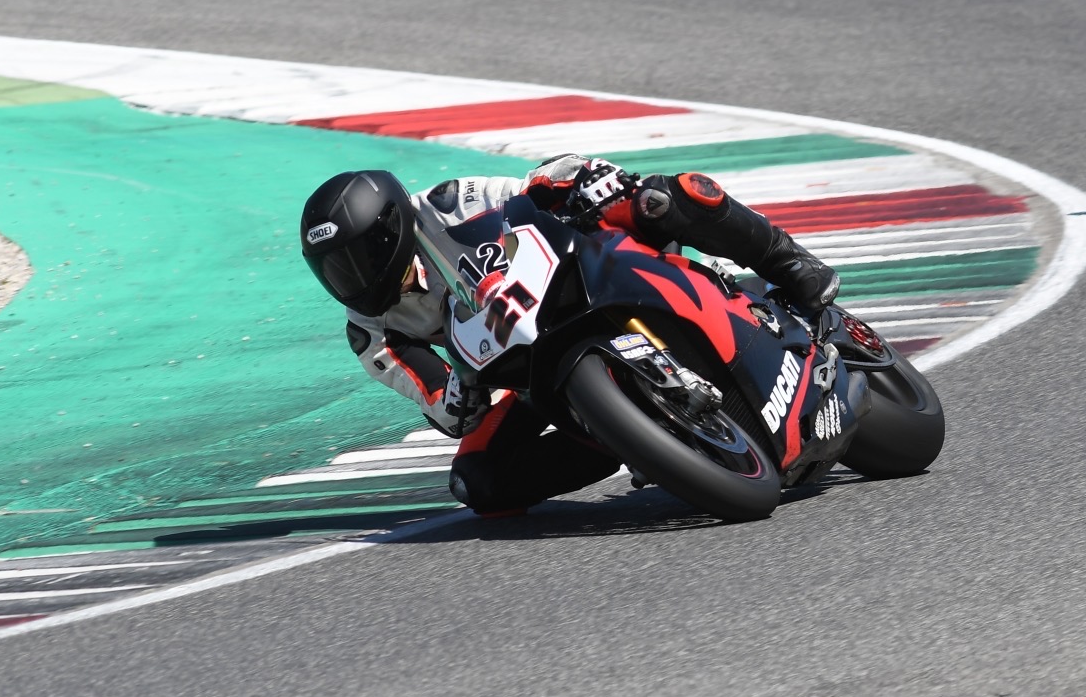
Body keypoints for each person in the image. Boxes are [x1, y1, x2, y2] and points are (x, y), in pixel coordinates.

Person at [299, 155, 840, 516]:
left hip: (573, 276)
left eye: (357, 260)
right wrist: (458, 397)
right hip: (521, 362)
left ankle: (787, 261)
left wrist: (583, 179)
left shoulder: (446, 203)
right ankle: (625, 438)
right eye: (334, 271)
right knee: (477, 481)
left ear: (392, 230)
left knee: (661, 196)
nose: (350, 280)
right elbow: (441, 403)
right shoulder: (371, 334)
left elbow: (531, 187)